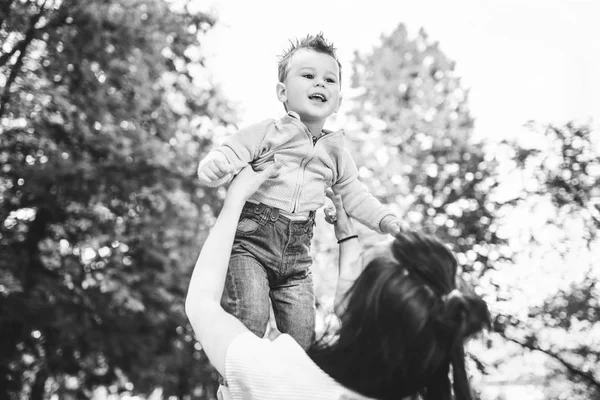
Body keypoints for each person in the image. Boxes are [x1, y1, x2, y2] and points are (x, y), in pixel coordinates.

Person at [186, 163, 491, 400]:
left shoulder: (284, 377)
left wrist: (235, 200)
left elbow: (202, 303)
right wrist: (347, 237)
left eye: (362, 262)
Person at [196, 33, 402, 352]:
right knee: (250, 318)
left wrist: (384, 219)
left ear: (339, 101)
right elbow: (233, 149)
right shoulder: (269, 132)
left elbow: (354, 195)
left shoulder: (336, 153)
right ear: (282, 92)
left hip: (297, 258)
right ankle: (233, 388)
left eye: (329, 80)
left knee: (303, 338)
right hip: (252, 243)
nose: (319, 84)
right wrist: (216, 163)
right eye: (308, 76)